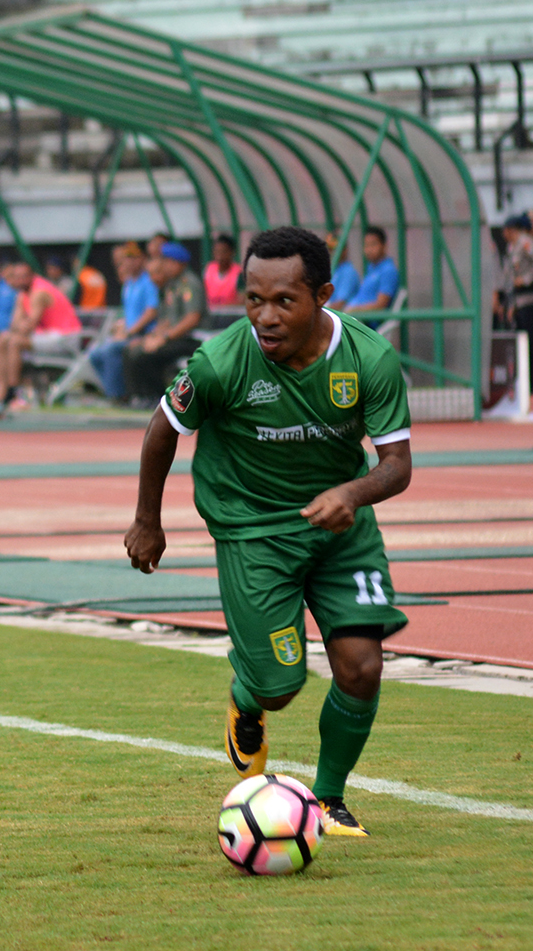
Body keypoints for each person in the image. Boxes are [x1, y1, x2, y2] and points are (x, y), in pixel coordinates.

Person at [125, 225, 412, 838]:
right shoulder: (221, 361)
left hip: (341, 528)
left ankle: (328, 801)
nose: (266, 316)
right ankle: (248, 699)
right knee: (280, 686)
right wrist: (148, 520)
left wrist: (349, 495)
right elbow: (162, 427)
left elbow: (396, 466)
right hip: (253, 530)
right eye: (254, 299)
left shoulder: (370, 360)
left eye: (285, 300)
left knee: (361, 667)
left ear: (324, 295)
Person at [0, 261, 80, 409]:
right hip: (48, 337)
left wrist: (19, 325)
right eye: (17, 277)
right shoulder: (22, 294)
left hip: (65, 338)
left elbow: (27, 327)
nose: (20, 280)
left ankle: (15, 392)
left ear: (32, 276)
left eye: (24, 276)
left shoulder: (39, 292)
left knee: (14, 342)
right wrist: (19, 323)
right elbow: (14, 325)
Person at [121, 241, 206, 406]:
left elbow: (192, 318)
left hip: (191, 339)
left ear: (176, 263)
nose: (164, 266)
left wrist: (164, 338)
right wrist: (151, 337)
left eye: (167, 262)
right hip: (174, 337)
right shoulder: (172, 286)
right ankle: (138, 397)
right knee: (132, 350)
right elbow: (166, 320)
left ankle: (157, 397)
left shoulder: (189, 283)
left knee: (148, 356)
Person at [88, 241, 158, 401]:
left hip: (144, 333)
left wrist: (129, 332)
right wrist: (121, 327)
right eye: (127, 258)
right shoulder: (128, 284)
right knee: (95, 354)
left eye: (133, 258)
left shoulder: (148, 281)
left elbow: (151, 311)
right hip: (129, 333)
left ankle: (118, 396)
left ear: (142, 259)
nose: (129, 262)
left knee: (110, 351)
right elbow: (129, 313)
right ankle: (113, 390)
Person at [342, 226, 399, 319]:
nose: (369, 250)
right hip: (355, 317)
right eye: (366, 245)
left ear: (384, 245)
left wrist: (355, 310)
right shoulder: (371, 268)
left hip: (365, 322)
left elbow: (381, 305)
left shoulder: (388, 270)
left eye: (373, 244)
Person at [497, 212, 533, 333]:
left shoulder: (525, 243)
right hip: (517, 299)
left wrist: (526, 279)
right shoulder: (511, 247)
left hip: (528, 297)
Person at [324, 232, 360, 311]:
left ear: (344, 250)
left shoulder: (348, 271)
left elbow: (340, 304)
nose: (330, 253)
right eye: (328, 249)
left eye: (333, 249)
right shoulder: (333, 269)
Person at [203, 233, 241, 307]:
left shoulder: (239, 273)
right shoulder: (208, 270)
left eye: (224, 252)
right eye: (217, 252)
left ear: (232, 252)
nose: (220, 256)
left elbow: (242, 301)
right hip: (212, 316)